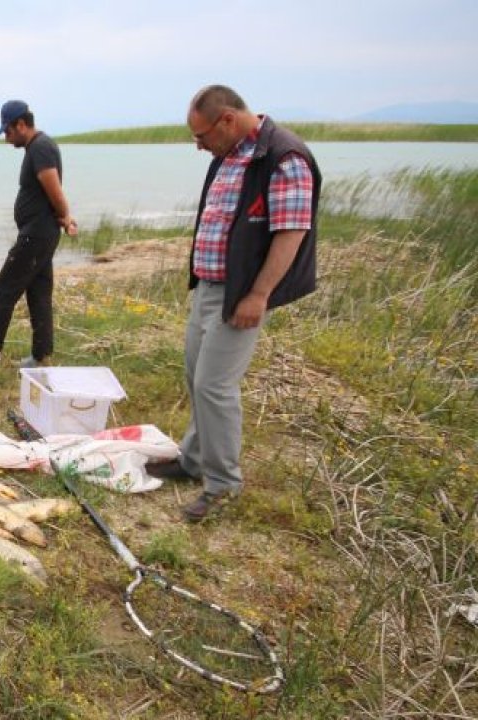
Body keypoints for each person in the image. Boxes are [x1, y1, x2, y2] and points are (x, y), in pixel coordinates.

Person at [144, 85, 321, 523]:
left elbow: (291, 233)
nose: (198, 146)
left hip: (241, 292)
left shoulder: (284, 157)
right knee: (194, 374)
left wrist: (258, 294)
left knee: (215, 386)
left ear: (227, 120)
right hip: (209, 285)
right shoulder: (228, 153)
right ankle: (193, 460)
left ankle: (223, 486)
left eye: (201, 136)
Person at [0, 100, 77, 368]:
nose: (7, 139)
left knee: (5, 288)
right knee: (39, 292)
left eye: (8, 132)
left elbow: (55, 189)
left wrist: (66, 216)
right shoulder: (39, 147)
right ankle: (41, 356)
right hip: (41, 233)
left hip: (37, 235)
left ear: (21, 124)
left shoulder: (40, 148)